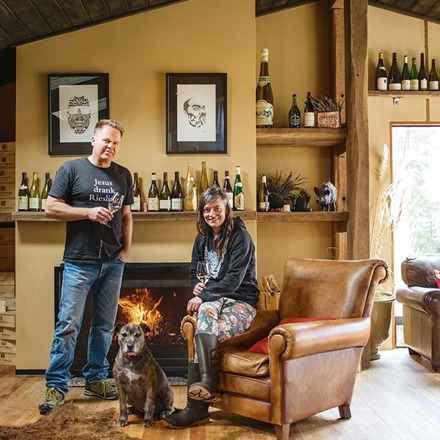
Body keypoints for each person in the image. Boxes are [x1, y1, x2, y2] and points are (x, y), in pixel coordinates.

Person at [39, 119, 134, 414]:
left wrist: (126, 251)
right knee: (68, 326)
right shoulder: (71, 169)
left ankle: (95, 379)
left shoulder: (124, 175)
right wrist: (87, 212)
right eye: (106, 140)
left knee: (104, 327)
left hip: (113, 263)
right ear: (93, 140)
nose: (111, 147)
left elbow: (127, 215)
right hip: (79, 262)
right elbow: (50, 207)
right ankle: (56, 385)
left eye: (116, 143)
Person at [164, 187, 259, 429]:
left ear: (227, 209)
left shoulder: (241, 238)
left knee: (203, 324)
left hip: (240, 301)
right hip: (214, 301)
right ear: (201, 213)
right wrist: (197, 287)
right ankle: (207, 384)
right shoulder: (202, 238)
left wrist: (204, 294)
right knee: (205, 313)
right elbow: (194, 271)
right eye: (207, 210)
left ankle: (195, 410)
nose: (212, 214)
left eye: (217, 208)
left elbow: (234, 280)